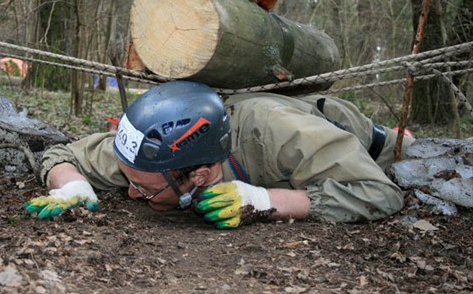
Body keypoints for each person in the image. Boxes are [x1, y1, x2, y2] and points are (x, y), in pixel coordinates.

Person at [23, 80, 415, 229]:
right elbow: (63, 153)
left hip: (363, 142)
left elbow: (378, 192)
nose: (131, 194)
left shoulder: (278, 134)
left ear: (199, 176)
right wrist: (72, 187)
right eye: (132, 182)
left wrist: (266, 201)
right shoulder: (155, 152)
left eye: (143, 190)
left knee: (412, 153)